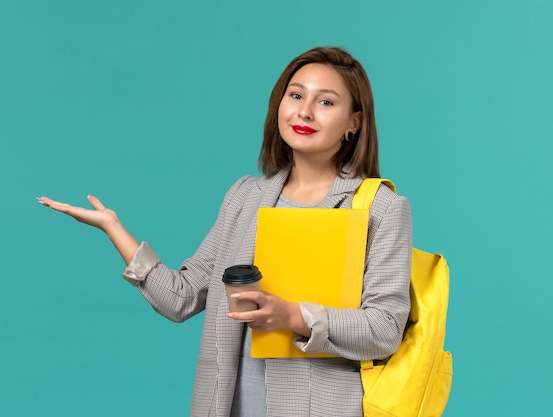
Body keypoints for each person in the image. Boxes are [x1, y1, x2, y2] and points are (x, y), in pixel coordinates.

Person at [38, 46, 412, 417]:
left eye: (326, 102)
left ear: (354, 122)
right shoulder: (245, 197)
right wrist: (113, 228)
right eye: (296, 95)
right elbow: (181, 298)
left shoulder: (380, 208)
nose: (304, 111)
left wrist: (293, 317)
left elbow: (383, 329)